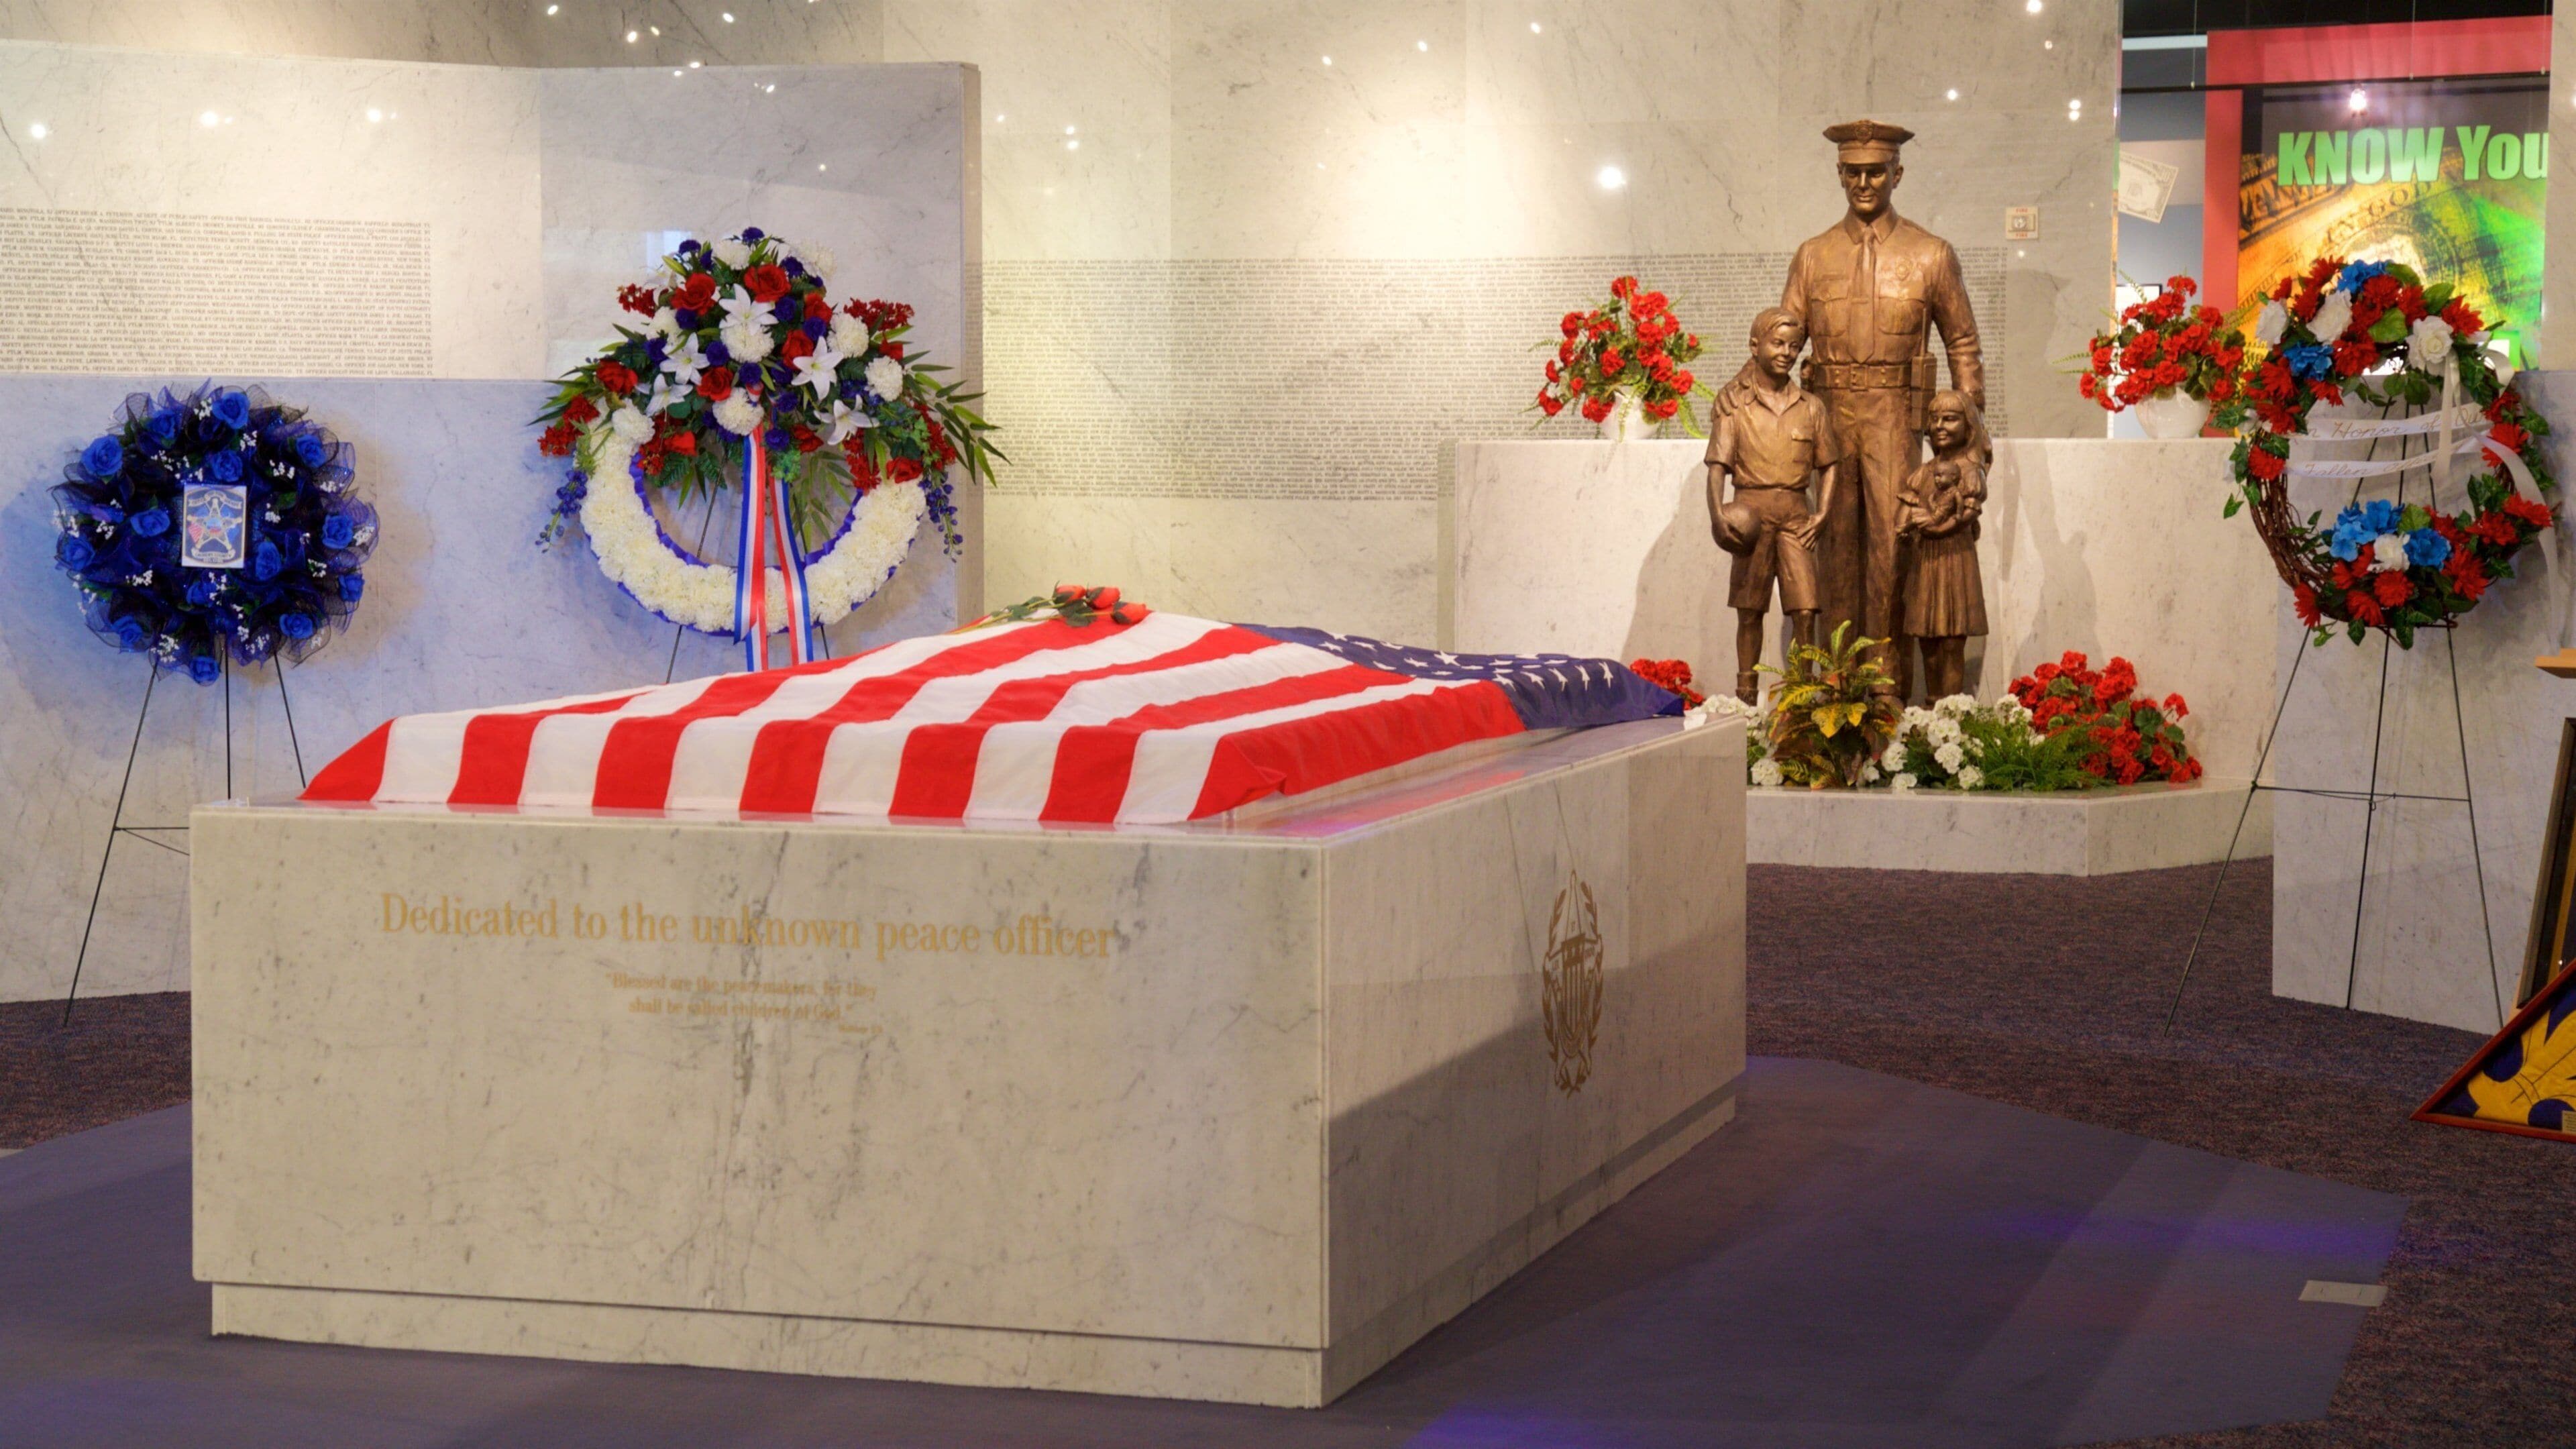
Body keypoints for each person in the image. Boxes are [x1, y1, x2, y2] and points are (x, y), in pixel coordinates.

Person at [1770, 119, 1984, 700]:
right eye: (1853, 173)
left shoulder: (1930, 254)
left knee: (1893, 544)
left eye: (1876, 172)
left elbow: (1962, 342)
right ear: (1840, 174)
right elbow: (1783, 340)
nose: (1864, 183)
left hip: (1896, 411)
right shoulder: (1813, 256)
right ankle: (1838, 683)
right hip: (1830, 412)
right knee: (1836, 544)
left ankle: (1887, 687)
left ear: (1898, 174)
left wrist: (1968, 443)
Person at [1707, 307, 1842, 704]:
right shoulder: (1735, 406)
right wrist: (1717, 515)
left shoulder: (1811, 407)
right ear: (1755, 346)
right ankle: (1746, 695)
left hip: (1797, 516)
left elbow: (1830, 466)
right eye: (1778, 343)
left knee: (1805, 610)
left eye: (1794, 346)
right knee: (1750, 611)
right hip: (1750, 513)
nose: (1787, 352)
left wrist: (1822, 515)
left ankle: (1802, 693)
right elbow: (1717, 469)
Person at [1894, 391, 1990, 700]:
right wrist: (1905, 523)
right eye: (1934, 420)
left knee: (1952, 641)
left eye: (1949, 419)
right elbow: (1904, 515)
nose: (1940, 426)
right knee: (1928, 641)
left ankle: (1951, 711)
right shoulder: (1925, 472)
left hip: (1955, 560)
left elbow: (1964, 518)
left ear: (1968, 425)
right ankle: (1932, 708)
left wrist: (1932, 524)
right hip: (1926, 563)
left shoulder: (1971, 471)